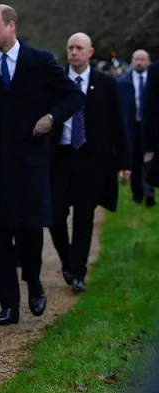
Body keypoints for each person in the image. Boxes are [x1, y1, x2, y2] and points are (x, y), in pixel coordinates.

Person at [0, 4, 84, 326]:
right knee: (0, 237)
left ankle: (33, 281)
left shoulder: (40, 61)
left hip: (30, 165)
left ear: (11, 26)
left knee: (30, 233)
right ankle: (9, 306)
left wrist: (50, 118)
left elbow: (73, 97)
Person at [49, 33, 130, 292]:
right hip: (60, 157)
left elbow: (118, 123)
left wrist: (124, 162)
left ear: (90, 52)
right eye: (70, 47)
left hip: (91, 159)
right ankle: (67, 260)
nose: (74, 52)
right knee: (55, 214)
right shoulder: (56, 81)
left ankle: (78, 273)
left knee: (84, 218)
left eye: (79, 48)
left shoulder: (105, 83)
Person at [118, 50, 154, 205]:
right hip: (131, 127)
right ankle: (137, 195)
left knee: (150, 159)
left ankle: (149, 192)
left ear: (148, 62)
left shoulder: (153, 82)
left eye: (143, 59)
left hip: (149, 127)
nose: (139, 62)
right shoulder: (122, 83)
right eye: (137, 59)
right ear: (132, 61)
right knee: (134, 161)